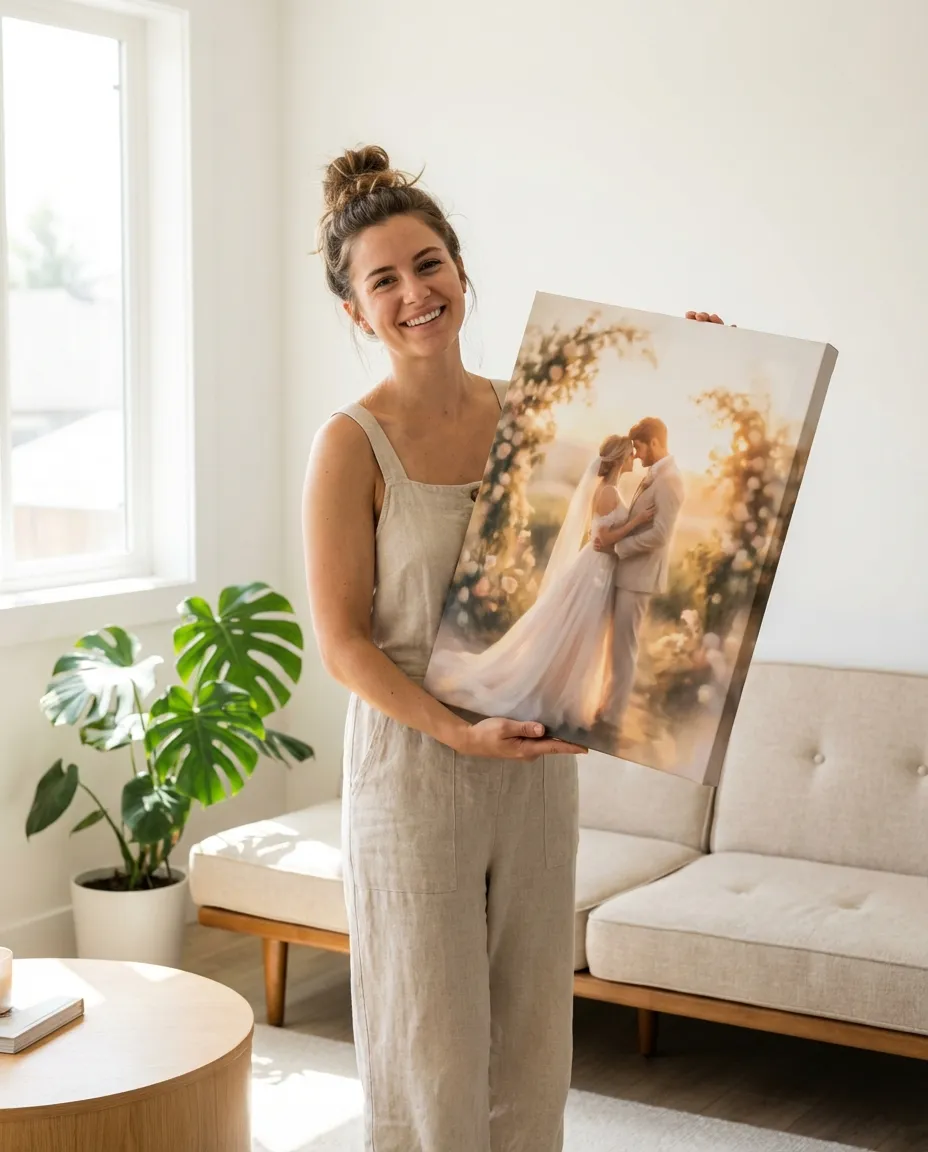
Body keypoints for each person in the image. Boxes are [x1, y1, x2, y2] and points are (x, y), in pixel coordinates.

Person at [301, 141, 729, 1151]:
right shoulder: (347, 444)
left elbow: (641, 455)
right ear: (355, 310)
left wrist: (702, 353)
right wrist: (456, 737)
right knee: (431, 1050)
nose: (414, 293)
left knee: (534, 1042)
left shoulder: (529, 414)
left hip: (534, 766)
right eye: (384, 280)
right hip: (415, 771)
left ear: (460, 271)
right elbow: (344, 646)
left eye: (428, 264)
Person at [425, 435, 654, 734]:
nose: (634, 460)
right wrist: (637, 523)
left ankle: (563, 687)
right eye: (631, 455)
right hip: (596, 570)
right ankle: (551, 689)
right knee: (577, 630)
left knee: (579, 632)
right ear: (619, 458)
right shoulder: (609, 491)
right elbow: (603, 541)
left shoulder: (609, 489)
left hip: (599, 569)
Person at [593, 417, 686, 735]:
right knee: (615, 647)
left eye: (640, 446)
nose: (637, 453)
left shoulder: (670, 481)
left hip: (640, 575)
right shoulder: (655, 476)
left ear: (656, 443)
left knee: (624, 648)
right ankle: (606, 707)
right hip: (629, 573)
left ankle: (612, 719)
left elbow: (660, 534)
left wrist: (619, 548)